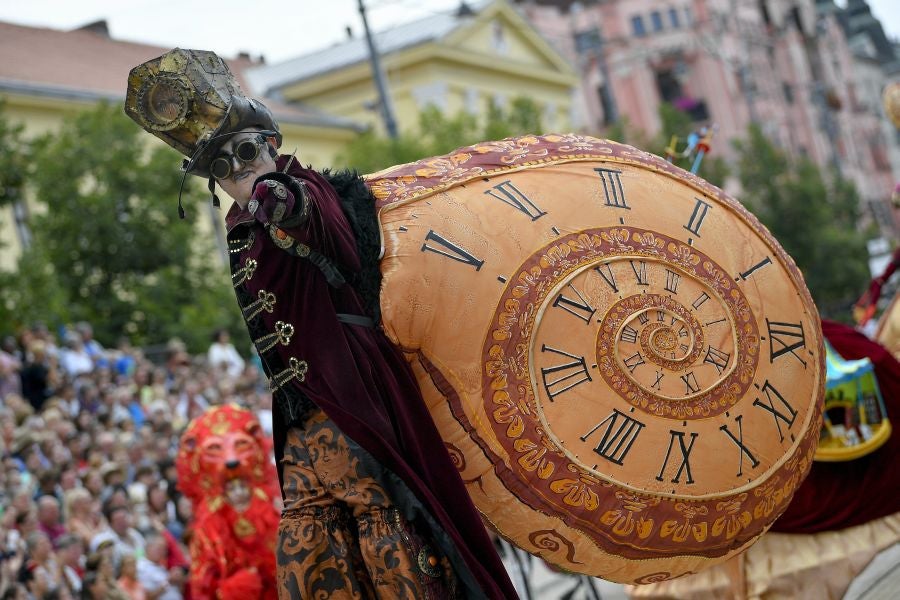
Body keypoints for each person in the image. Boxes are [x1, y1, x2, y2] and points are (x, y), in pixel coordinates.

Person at [126, 48, 518, 599]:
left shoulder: (308, 190)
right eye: (222, 166)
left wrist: (276, 195)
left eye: (246, 150)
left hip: (353, 392)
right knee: (310, 549)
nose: (238, 169)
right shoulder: (241, 226)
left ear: (271, 143)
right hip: (301, 412)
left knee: (388, 530)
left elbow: (307, 215)